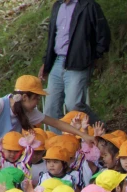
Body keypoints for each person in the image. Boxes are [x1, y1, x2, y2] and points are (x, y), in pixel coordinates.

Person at [0, 75, 94, 154]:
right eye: (36, 98)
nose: (37, 103)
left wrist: (83, 135)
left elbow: (56, 123)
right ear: (24, 97)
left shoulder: (28, 112)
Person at [40, 0, 111, 130]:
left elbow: (103, 34)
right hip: (57, 61)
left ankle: (101, 129)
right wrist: (46, 62)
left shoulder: (89, 5)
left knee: (74, 105)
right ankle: (60, 145)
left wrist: (92, 57)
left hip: (79, 62)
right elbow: (52, 37)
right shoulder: (57, 6)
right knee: (50, 109)